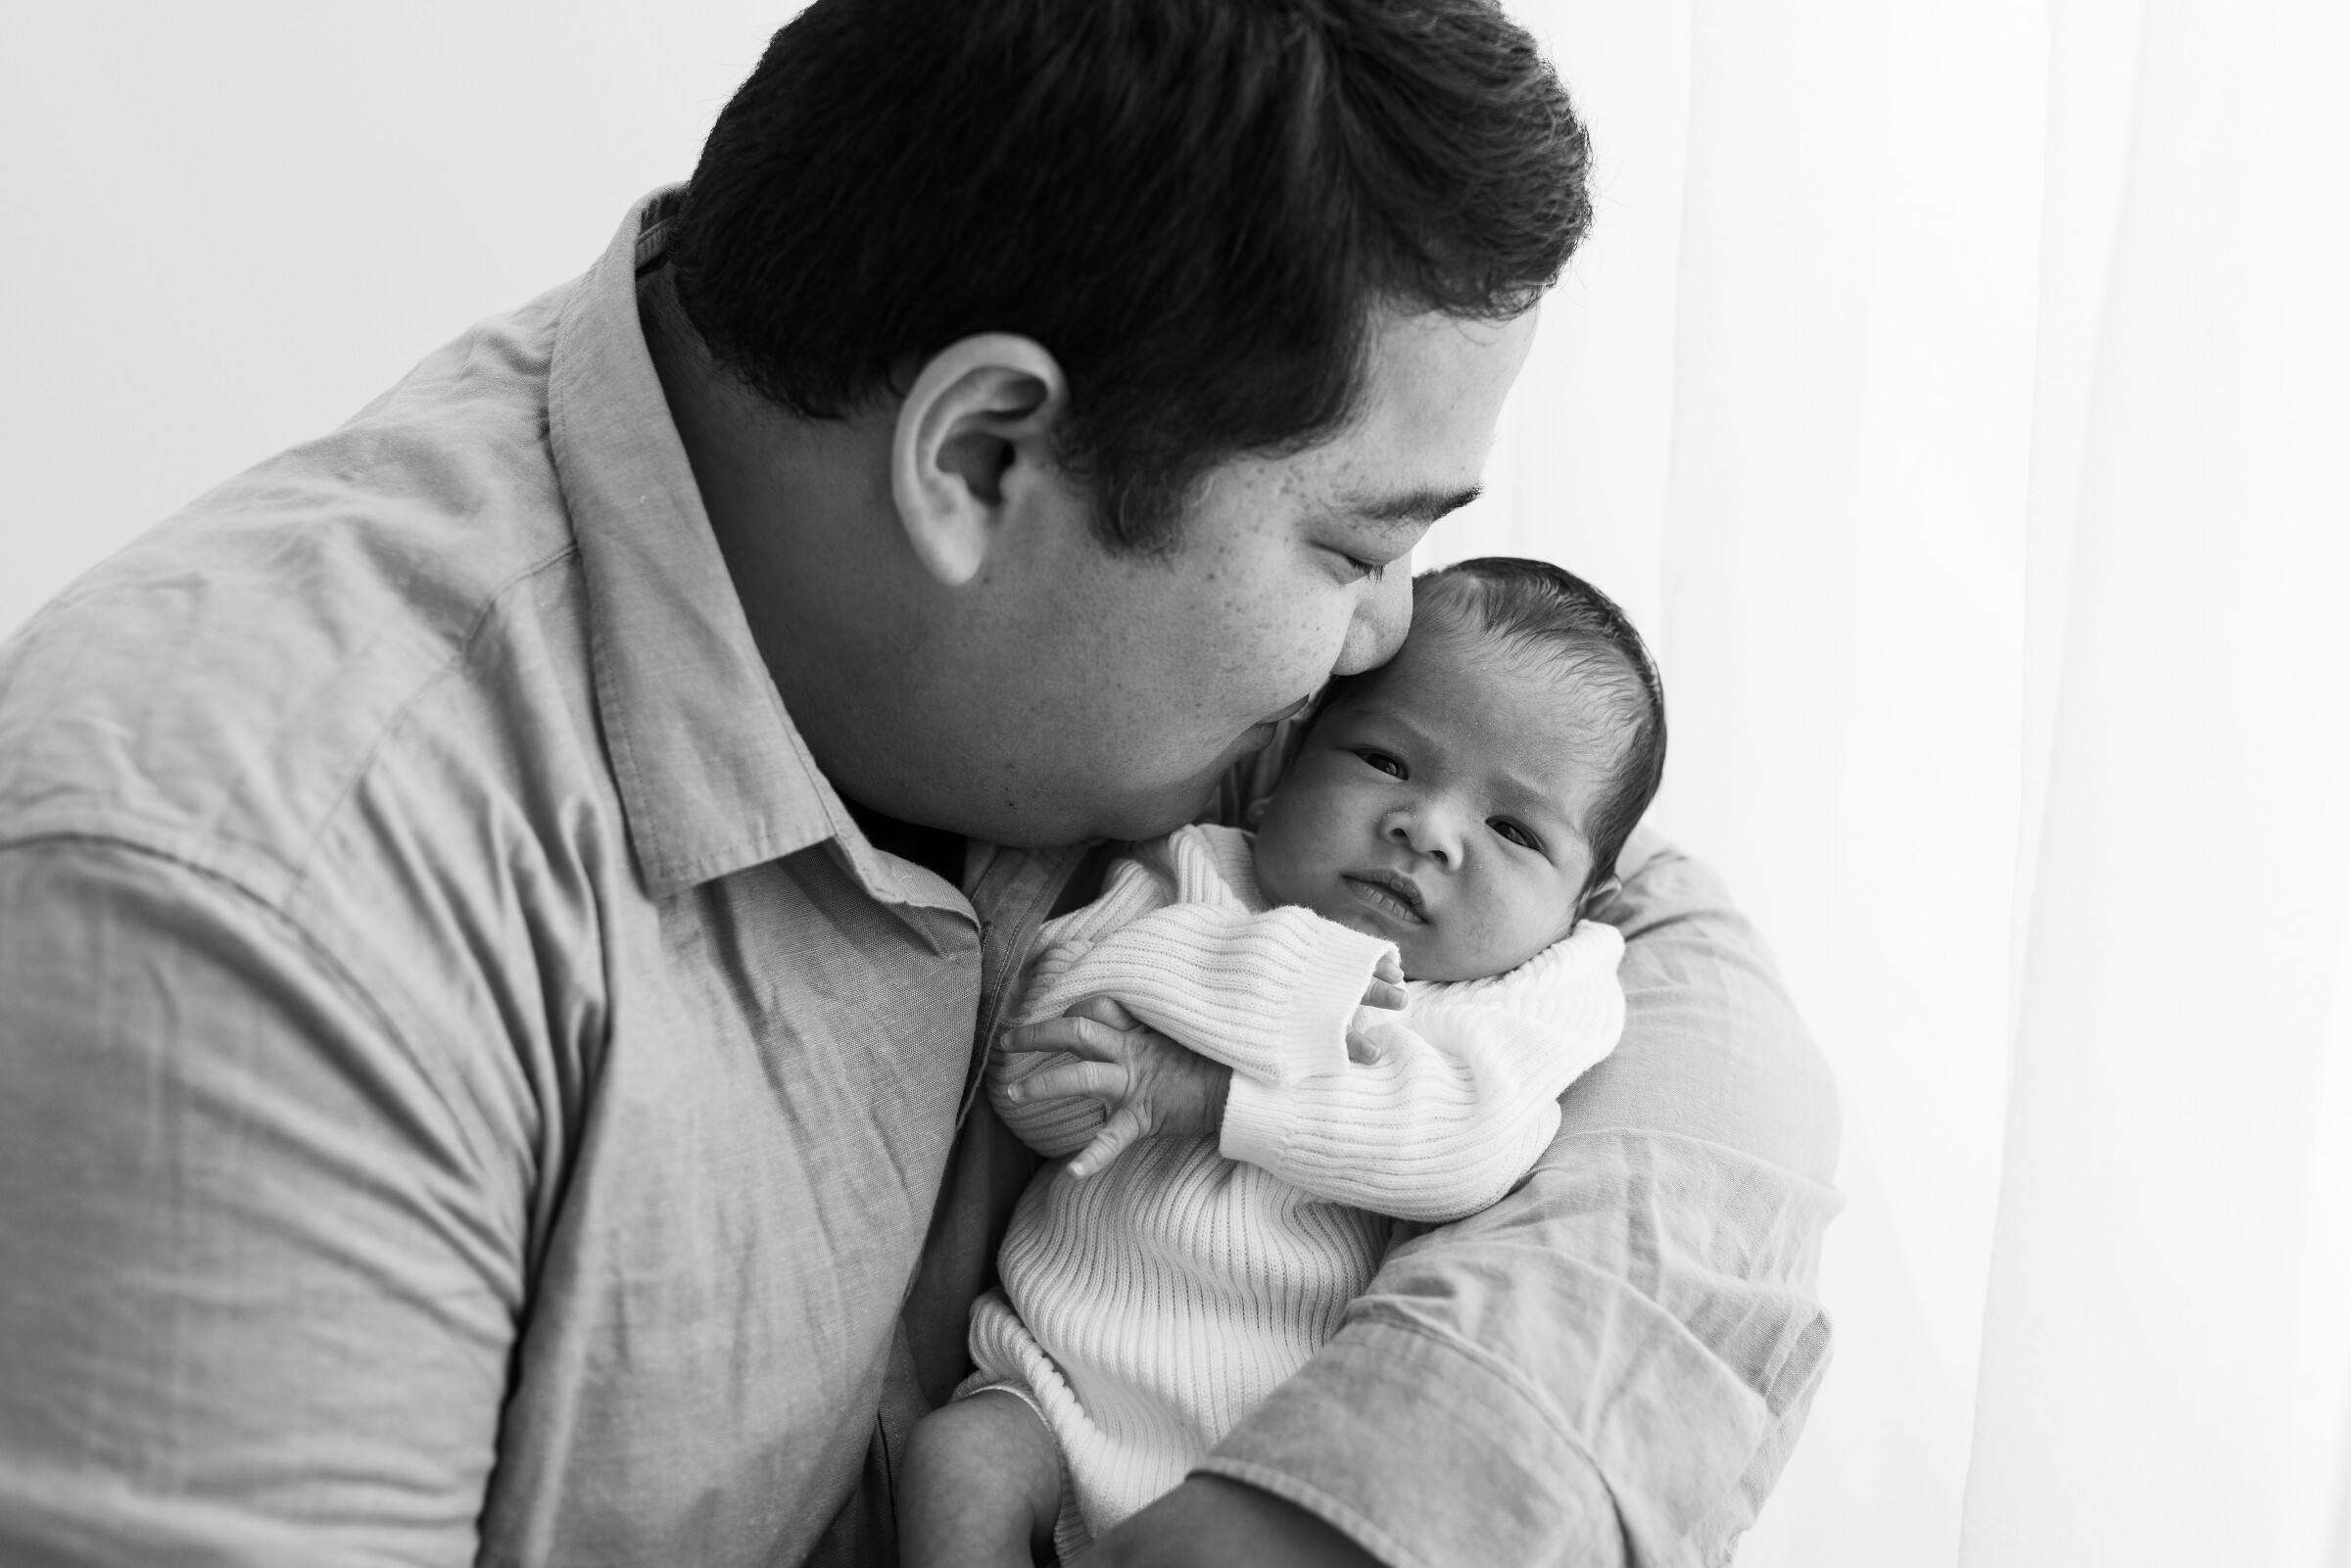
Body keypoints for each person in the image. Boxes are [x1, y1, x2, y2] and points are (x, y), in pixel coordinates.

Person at [0, 2, 1841, 1565]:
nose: (1387, 637)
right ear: (979, 458)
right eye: (1356, 550)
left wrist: (1341, 1507)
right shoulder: (250, 923)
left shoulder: (1043, 640)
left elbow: (1684, 978)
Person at [900, 559, 1656, 1565]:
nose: (1426, 829)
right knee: (954, 1461)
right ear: (1293, 757)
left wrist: (1210, 1094)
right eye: (1386, 759)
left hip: (1268, 1464)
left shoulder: (1534, 990)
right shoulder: (1195, 874)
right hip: (1054, 1388)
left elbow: (1466, 1146)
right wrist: (1291, 977)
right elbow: (1035, 1071)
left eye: (1512, 828)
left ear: (1583, 901)